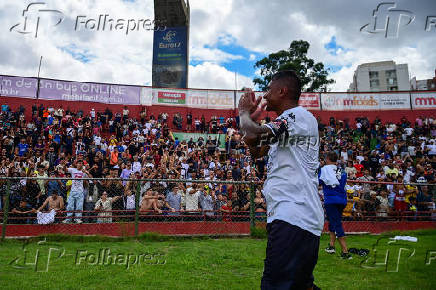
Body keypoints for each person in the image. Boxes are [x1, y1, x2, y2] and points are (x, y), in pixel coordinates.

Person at [238, 70, 323, 289]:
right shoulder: (287, 125)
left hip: (293, 215)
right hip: (298, 216)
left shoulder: (297, 116)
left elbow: (254, 133)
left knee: (275, 284)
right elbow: (257, 148)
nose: (265, 95)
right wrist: (253, 120)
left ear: (282, 91)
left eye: (269, 89)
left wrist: (243, 112)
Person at [319, 152, 352, 259]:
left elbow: (319, 182)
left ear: (327, 159)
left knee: (336, 223)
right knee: (333, 221)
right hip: (342, 199)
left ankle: (345, 252)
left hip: (331, 200)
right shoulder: (342, 170)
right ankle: (332, 246)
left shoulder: (324, 170)